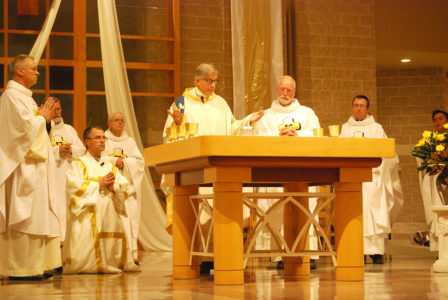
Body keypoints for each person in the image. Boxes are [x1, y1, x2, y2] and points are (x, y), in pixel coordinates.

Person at [162, 63, 264, 274]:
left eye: (215, 80)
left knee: (220, 212)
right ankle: (195, 259)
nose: (213, 85)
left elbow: (233, 129)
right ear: (197, 81)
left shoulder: (221, 103)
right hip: (195, 171)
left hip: (219, 169)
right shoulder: (181, 104)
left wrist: (248, 120)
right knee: (199, 215)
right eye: (209, 80)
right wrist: (177, 124)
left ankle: (218, 258)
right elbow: (169, 137)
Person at [0, 54, 62, 280]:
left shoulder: (26, 98)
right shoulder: (11, 96)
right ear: (19, 71)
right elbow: (18, 131)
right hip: (23, 167)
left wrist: (44, 121)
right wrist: (41, 118)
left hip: (36, 167)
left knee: (39, 216)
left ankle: (38, 265)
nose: (37, 72)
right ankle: (20, 269)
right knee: (24, 216)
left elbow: (35, 127)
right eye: (33, 69)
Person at [253, 75, 321, 270]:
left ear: (294, 92)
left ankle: (309, 254)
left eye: (289, 90)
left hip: (303, 171)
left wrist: (298, 135)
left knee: (304, 209)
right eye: (282, 90)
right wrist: (278, 135)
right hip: (275, 174)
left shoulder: (307, 114)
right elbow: (257, 140)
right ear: (277, 91)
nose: (285, 94)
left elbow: (317, 136)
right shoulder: (265, 115)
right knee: (276, 210)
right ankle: (278, 256)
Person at [63, 126, 139, 274]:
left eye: (104, 137)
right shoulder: (78, 164)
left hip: (109, 215)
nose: (102, 141)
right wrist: (98, 184)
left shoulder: (109, 165)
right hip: (87, 216)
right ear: (87, 141)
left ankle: (113, 262)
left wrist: (113, 188)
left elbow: (123, 186)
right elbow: (73, 188)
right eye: (98, 138)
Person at [340, 95, 404, 264]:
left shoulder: (377, 128)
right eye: (356, 105)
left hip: (373, 178)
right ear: (352, 108)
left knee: (375, 213)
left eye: (362, 106)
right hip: (352, 178)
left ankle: (376, 252)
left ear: (368, 109)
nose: (359, 108)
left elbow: (387, 153)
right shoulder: (345, 129)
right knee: (355, 214)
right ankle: (357, 250)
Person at [103, 112, 144, 262]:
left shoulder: (130, 142)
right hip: (110, 190)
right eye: (116, 121)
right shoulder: (104, 140)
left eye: (122, 121)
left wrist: (125, 163)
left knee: (130, 221)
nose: (120, 123)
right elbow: (99, 159)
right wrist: (115, 162)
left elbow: (140, 162)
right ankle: (113, 256)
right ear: (109, 124)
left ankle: (131, 255)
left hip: (128, 191)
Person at [50, 97, 86, 241]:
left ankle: (66, 240)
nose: (56, 113)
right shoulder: (44, 129)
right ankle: (55, 240)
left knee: (66, 208)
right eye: (53, 109)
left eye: (58, 109)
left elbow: (82, 150)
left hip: (67, 175)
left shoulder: (69, 129)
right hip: (50, 175)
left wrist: (70, 150)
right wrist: (57, 151)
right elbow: (39, 151)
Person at [415, 109, 448, 251]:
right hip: (432, 179)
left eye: (440, 119)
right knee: (433, 211)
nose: (437, 122)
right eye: (435, 120)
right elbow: (420, 159)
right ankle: (439, 248)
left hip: (445, 179)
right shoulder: (429, 141)